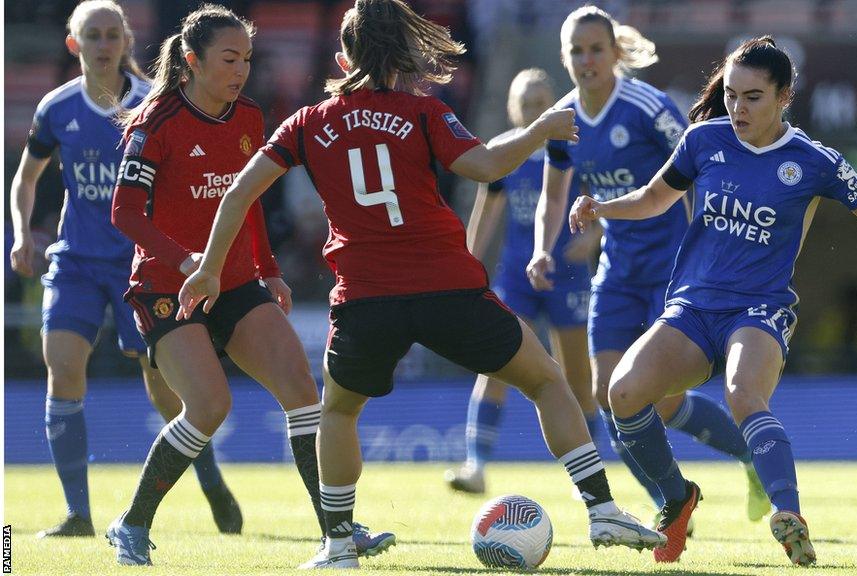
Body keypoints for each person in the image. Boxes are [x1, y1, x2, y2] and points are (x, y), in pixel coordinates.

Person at [178, 0, 665, 569]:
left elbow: (237, 195)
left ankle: (337, 545)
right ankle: (602, 509)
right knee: (547, 381)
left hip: (365, 298)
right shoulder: (422, 112)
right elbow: (484, 167)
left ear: (344, 57)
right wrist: (541, 130)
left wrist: (211, 266)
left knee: (337, 413)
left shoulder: (306, 124)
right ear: (402, 55)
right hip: (447, 287)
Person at [568, 35, 857, 566]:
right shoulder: (703, 141)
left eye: (752, 97)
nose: (737, 107)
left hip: (759, 310)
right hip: (693, 308)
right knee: (623, 393)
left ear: (784, 97)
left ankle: (788, 513)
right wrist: (602, 207)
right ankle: (677, 500)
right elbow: (656, 197)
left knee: (744, 393)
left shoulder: (814, 161)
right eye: (730, 95)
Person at [102, 5, 393, 566]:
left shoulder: (249, 116)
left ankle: (338, 532)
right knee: (209, 408)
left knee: (306, 398)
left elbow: (248, 200)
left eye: (248, 59)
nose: (240, 70)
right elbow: (125, 213)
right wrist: (186, 262)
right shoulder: (154, 122)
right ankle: (131, 523)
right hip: (169, 287)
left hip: (235, 282)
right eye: (229, 59)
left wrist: (267, 268)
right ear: (191, 61)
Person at [527, 4, 768, 533]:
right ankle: (673, 500)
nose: (587, 60)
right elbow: (552, 196)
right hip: (616, 271)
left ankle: (749, 456)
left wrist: (717, 245)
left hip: (672, 271)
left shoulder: (646, 106)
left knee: (661, 400)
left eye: (596, 49)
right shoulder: (562, 121)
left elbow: (699, 165)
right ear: (565, 58)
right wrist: (543, 248)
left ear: (615, 53)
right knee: (607, 394)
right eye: (576, 51)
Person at [7, 0, 241, 539]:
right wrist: (22, 232)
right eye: (93, 35)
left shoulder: (153, 105)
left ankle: (210, 481)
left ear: (127, 41)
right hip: (75, 262)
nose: (104, 44)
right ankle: (78, 514)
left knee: (165, 391)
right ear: (75, 44)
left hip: (143, 265)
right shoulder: (56, 108)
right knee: (63, 368)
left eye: (113, 34)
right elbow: (26, 178)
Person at [444, 68, 600, 494]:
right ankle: (475, 465)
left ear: (554, 105)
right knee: (497, 365)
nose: (534, 110)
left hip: (567, 274)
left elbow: (603, 200)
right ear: (514, 109)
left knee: (578, 379)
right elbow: (484, 215)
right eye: (526, 103)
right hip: (516, 276)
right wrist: (468, 265)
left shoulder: (575, 148)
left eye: (541, 102)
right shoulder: (502, 153)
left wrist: (596, 237)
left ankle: (589, 473)